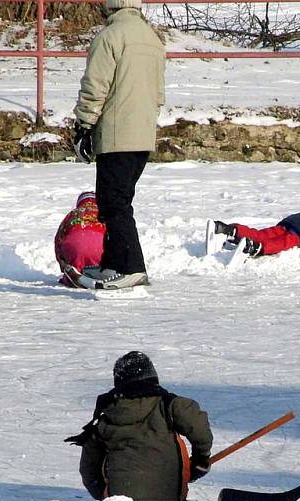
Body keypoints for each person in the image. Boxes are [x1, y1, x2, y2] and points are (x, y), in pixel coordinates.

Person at [72, 0, 166, 290]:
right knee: (116, 199)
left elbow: (95, 84)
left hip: (116, 133)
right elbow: (158, 93)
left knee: (114, 203)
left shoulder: (110, 37)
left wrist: (83, 125)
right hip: (143, 133)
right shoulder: (152, 39)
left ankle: (133, 267)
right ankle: (113, 264)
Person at [65, 351, 213, 501]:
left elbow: (89, 470)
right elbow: (198, 428)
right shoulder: (169, 406)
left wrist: (107, 497)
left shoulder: (106, 417)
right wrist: (201, 458)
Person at [54, 191, 106, 287]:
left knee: (77, 250)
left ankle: (75, 275)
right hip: (100, 249)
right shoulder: (104, 213)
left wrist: (63, 265)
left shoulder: (73, 214)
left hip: (75, 247)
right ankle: (100, 274)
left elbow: (58, 240)